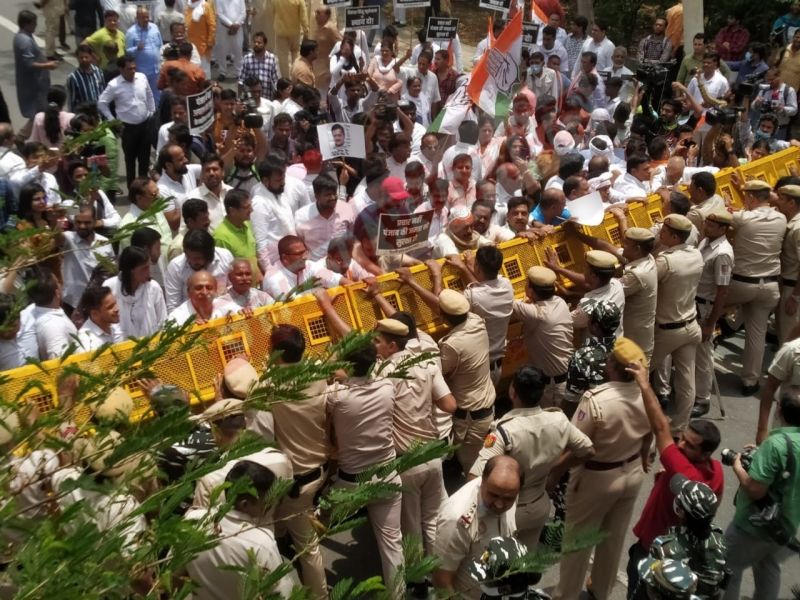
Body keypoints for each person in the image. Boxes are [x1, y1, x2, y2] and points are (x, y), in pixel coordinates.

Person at [552, 337, 652, 600]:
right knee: (613, 538)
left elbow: (577, 447)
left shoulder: (596, 400)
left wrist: (553, 474)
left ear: (612, 366)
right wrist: (643, 455)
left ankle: (567, 595)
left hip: (597, 478)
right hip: (631, 472)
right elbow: (652, 429)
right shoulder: (646, 392)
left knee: (578, 543)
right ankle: (600, 590)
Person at [625, 358, 724, 596]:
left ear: (706, 452)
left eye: (689, 445)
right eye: (682, 438)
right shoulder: (717, 472)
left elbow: (661, 428)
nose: (680, 445)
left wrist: (644, 383)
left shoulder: (683, 470)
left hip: (654, 550)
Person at [469, 367, 594, 550]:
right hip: (539, 504)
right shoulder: (558, 420)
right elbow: (588, 450)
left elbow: (474, 477)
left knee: (494, 564)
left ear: (513, 391)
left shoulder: (505, 431)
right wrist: (556, 469)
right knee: (523, 564)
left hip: (506, 509)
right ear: (542, 392)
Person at [392, 282, 496, 475]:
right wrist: (414, 283)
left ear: (444, 318)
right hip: (484, 409)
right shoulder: (475, 320)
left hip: (469, 417)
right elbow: (441, 311)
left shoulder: (451, 345)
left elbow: (441, 373)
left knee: (472, 469)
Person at [325, 343, 404, 594]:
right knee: (392, 545)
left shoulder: (335, 396)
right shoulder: (387, 387)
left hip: (350, 483)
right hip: (387, 476)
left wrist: (337, 376)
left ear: (346, 366)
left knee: (313, 527)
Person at [723, 384, 800, 600]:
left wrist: (738, 466)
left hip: (753, 526)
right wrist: (760, 456)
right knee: (768, 566)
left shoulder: (775, 445)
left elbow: (756, 490)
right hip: (785, 523)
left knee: (728, 567)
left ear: (780, 411)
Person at [185, 460, 299, 598]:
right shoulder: (262, 544)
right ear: (244, 504)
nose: (271, 508)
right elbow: (281, 594)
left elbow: (175, 573)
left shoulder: (192, 520)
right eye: (267, 503)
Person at [724, 179, 787, 396]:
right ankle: (750, 381)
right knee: (756, 334)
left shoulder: (742, 218)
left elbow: (723, 221)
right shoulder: (781, 218)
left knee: (706, 306)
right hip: (769, 285)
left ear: (750, 197)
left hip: (742, 283)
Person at [432, 455, 522, 598]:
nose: (500, 504)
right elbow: (441, 579)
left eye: (508, 499)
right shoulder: (457, 518)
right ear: (482, 481)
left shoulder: (508, 490)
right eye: (493, 495)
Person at [691, 210, 734, 418]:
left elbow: (722, 291)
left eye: (711, 224)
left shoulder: (723, 253)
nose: (705, 226)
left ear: (722, 229)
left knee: (703, 355)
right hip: (693, 302)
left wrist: (711, 322)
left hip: (706, 307)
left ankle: (703, 399)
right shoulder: (705, 242)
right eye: (706, 222)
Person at [512, 266, 574, 408]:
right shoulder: (560, 302)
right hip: (567, 377)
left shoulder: (536, 313)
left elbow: (502, 299)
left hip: (552, 387)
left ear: (531, 290)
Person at [98, 54, 156, 187]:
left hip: (144, 125)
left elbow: (149, 94)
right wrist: (113, 120)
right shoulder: (114, 85)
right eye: (129, 69)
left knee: (144, 160)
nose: (133, 71)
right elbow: (102, 103)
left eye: (134, 68)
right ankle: (132, 191)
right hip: (128, 129)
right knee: (130, 162)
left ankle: (144, 189)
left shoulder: (142, 78)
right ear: (121, 69)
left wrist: (152, 112)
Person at [59, 204, 116, 313]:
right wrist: (56, 220)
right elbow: (57, 238)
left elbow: (111, 271)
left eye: (87, 223)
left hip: (97, 303)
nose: (82, 226)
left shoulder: (104, 243)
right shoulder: (69, 239)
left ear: (95, 221)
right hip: (72, 303)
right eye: (79, 222)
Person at [103, 247, 167, 339]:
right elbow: (106, 323)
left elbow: (162, 321)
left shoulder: (153, 287)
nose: (149, 272)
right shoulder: (109, 286)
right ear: (130, 270)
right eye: (144, 268)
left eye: (149, 266)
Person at [165, 229, 234, 311]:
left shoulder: (225, 257)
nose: (192, 261)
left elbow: (234, 289)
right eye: (188, 256)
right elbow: (173, 306)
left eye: (197, 258)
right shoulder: (175, 266)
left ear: (209, 255)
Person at [261, 235, 346, 301]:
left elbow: (335, 279)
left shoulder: (308, 265)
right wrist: (326, 300)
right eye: (299, 254)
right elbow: (295, 305)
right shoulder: (275, 278)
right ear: (285, 258)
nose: (305, 257)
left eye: (305, 252)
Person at [294, 174, 355, 262]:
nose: (333, 198)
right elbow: (300, 244)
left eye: (334, 194)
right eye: (328, 195)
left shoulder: (346, 209)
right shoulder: (302, 216)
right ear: (316, 196)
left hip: (342, 263)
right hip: (315, 267)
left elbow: (352, 238)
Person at [14, 10, 57, 131]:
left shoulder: (25, 37)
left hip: (37, 84)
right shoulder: (24, 41)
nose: (36, 25)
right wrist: (48, 65)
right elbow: (29, 64)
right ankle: (23, 137)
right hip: (33, 86)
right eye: (34, 23)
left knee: (39, 114)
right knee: (38, 114)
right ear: (27, 24)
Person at [212, 189, 258, 278]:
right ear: (232, 210)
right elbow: (223, 272)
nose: (251, 210)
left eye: (250, 205)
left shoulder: (247, 224)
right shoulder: (221, 237)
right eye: (246, 207)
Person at [167, 269, 240, 324]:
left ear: (215, 290)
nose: (204, 292)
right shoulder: (176, 319)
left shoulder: (228, 307)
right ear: (189, 292)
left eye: (209, 288)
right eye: (198, 288)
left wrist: (246, 314)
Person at [126, 6, 163, 101]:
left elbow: (160, 45)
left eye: (147, 17)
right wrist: (136, 48)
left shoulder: (154, 27)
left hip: (156, 70)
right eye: (143, 17)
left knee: (157, 95)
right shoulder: (131, 32)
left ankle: (157, 114)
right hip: (142, 72)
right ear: (137, 18)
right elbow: (127, 53)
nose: (146, 19)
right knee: (144, 97)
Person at [76, 285, 124, 351]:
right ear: (94, 314)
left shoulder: (115, 326)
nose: (117, 309)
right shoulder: (86, 343)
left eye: (115, 303)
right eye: (110, 307)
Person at [238, 31, 280, 99]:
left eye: (259, 42)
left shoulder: (272, 58)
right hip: (251, 99)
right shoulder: (247, 58)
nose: (256, 44)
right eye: (254, 42)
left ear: (265, 44)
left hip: (267, 99)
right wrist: (239, 98)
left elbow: (275, 80)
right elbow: (241, 81)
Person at [272, 0, 308, 77]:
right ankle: (296, 77)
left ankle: (286, 80)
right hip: (295, 32)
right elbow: (303, 16)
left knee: (283, 58)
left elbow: (272, 11)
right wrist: (306, 31)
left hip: (281, 32)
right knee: (296, 54)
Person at [66, 45, 107, 110]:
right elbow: (72, 101)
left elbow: (104, 91)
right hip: (84, 115)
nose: (84, 60)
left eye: (86, 57)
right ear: (77, 58)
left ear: (91, 57)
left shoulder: (99, 72)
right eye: (81, 57)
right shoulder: (73, 78)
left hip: (100, 113)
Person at [213, 0, 245, 82]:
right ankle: (222, 72)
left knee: (238, 49)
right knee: (222, 50)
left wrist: (236, 24)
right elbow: (220, 14)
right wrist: (231, 25)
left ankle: (238, 72)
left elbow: (243, 13)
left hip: (238, 28)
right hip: (223, 28)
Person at [184, 0, 216, 78]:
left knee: (204, 72)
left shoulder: (205, 6)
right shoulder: (188, 6)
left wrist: (210, 41)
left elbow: (212, 25)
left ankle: (206, 90)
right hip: (189, 46)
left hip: (203, 46)